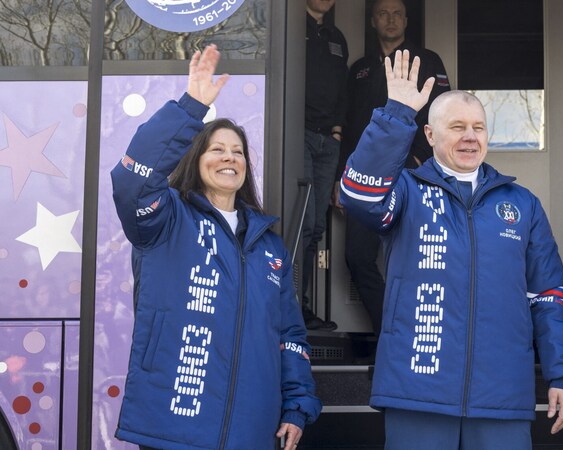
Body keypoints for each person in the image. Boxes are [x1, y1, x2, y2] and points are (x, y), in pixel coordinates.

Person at [340, 49, 563, 449]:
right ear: (431, 135)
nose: (470, 137)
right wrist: (397, 113)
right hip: (417, 390)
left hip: (501, 395)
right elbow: (359, 195)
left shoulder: (521, 204)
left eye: (478, 127)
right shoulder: (406, 191)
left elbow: (551, 296)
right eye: (457, 127)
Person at [111, 45, 321, 450]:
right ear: (196, 159)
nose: (230, 158)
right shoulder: (166, 219)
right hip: (172, 424)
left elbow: (290, 333)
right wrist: (191, 109)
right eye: (217, 149)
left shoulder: (269, 246)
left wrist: (297, 404)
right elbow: (131, 180)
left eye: (238, 151)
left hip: (251, 428)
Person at [337, 0, 451, 335]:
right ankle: (392, 331)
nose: (391, 19)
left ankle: (421, 330)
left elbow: (441, 115)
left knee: (417, 259)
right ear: (372, 21)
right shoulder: (359, 68)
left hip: (414, 176)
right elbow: (351, 125)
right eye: (383, 14)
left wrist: (418, 160)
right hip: (366, 178)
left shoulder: (428, 61)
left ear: (406, 19)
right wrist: (341, 176)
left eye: (397, 13)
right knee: (357, 257)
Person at [302, 0, 349, 330]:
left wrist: (336, 132)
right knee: (301, 224)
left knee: (317, 227)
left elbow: (343, 92)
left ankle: (301, 308)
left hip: (326, 141)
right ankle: (290, 307)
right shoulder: (291, 30)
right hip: (297, 136)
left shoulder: (336, 37)